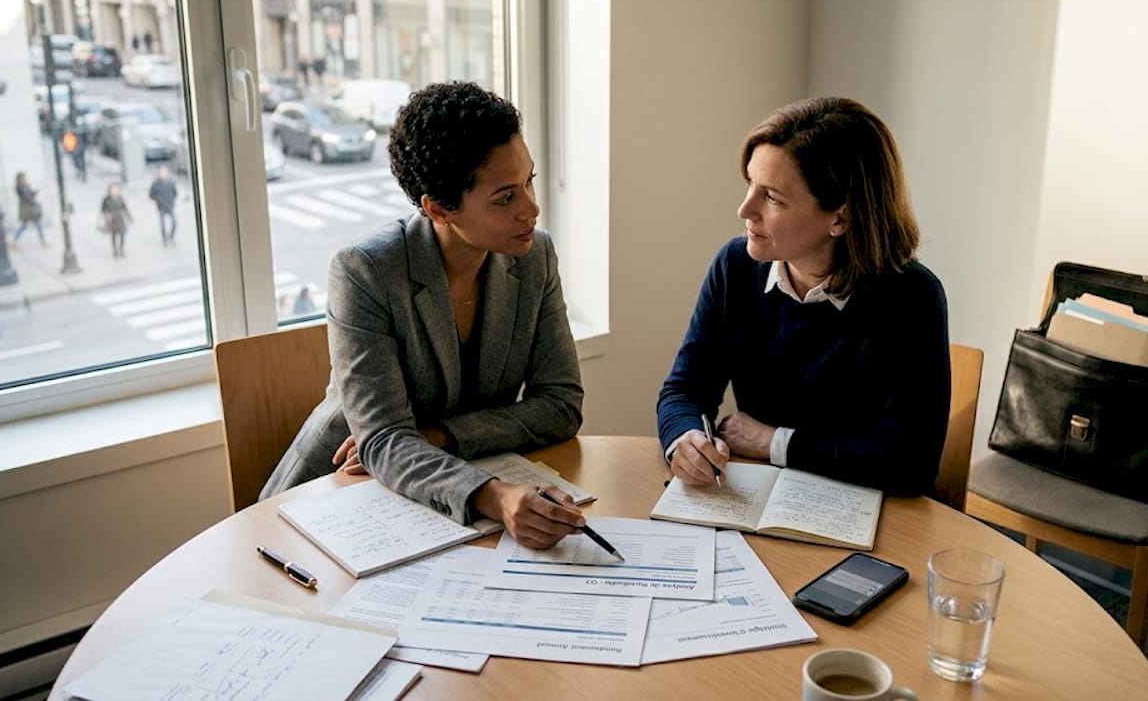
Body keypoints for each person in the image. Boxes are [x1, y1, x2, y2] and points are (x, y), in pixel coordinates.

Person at [261, 82, 585, 550]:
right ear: (438, 208)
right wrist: (493, 496)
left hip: (444, 505)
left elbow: (560, 405)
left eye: (530, 180)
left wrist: (440, 436)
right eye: (505, 197)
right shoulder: (365, 272)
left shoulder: (535, 257)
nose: (531, 208)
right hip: (337, 496)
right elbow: (385, 441)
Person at [657, 96, 950, 497]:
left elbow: (909, 464)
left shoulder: (912, 298)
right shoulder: (735, 267)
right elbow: (685, 389)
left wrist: (773, 442)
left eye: (773, 198)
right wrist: (685, 438)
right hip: (763, 499)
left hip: (876, 516)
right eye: (750, 185)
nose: (745, 209)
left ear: (840, 218)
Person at [12, 172, 46, 247]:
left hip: (30, 208)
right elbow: (27, 197)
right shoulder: (19, 187)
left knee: (37, 224)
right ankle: (14, 241)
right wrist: (32, 195)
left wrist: (36, 191)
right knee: (24, 226)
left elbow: (30, 194)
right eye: (23, 177)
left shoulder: (26, 185)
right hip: (26, 209)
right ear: (20, 179)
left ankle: (43, 241)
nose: (25, 178)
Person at [100, 183, 132, 258]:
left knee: (122, 234)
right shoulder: (106, 199)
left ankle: (121, 249)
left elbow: (125, 208)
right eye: (113, 190)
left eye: (116, 190)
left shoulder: (121, 198)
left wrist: (129, 217)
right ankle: (115, 250)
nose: (114, 191)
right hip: (112, 219)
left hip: (120, 219)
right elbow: (103, 209)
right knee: (114, 235)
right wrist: (107, 214)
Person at [149, 165, 177, 245]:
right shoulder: (155, 184)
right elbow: (151, 195)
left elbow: (175, 192)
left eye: (164, 172)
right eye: (161, 172)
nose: (163, 174)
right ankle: (164, 239)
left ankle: (171, 237)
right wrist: (158, 200)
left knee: (174, 222)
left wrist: (172, 200)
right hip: (161, 207)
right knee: (163, 224)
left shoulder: (171, 182)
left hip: (170, 205)